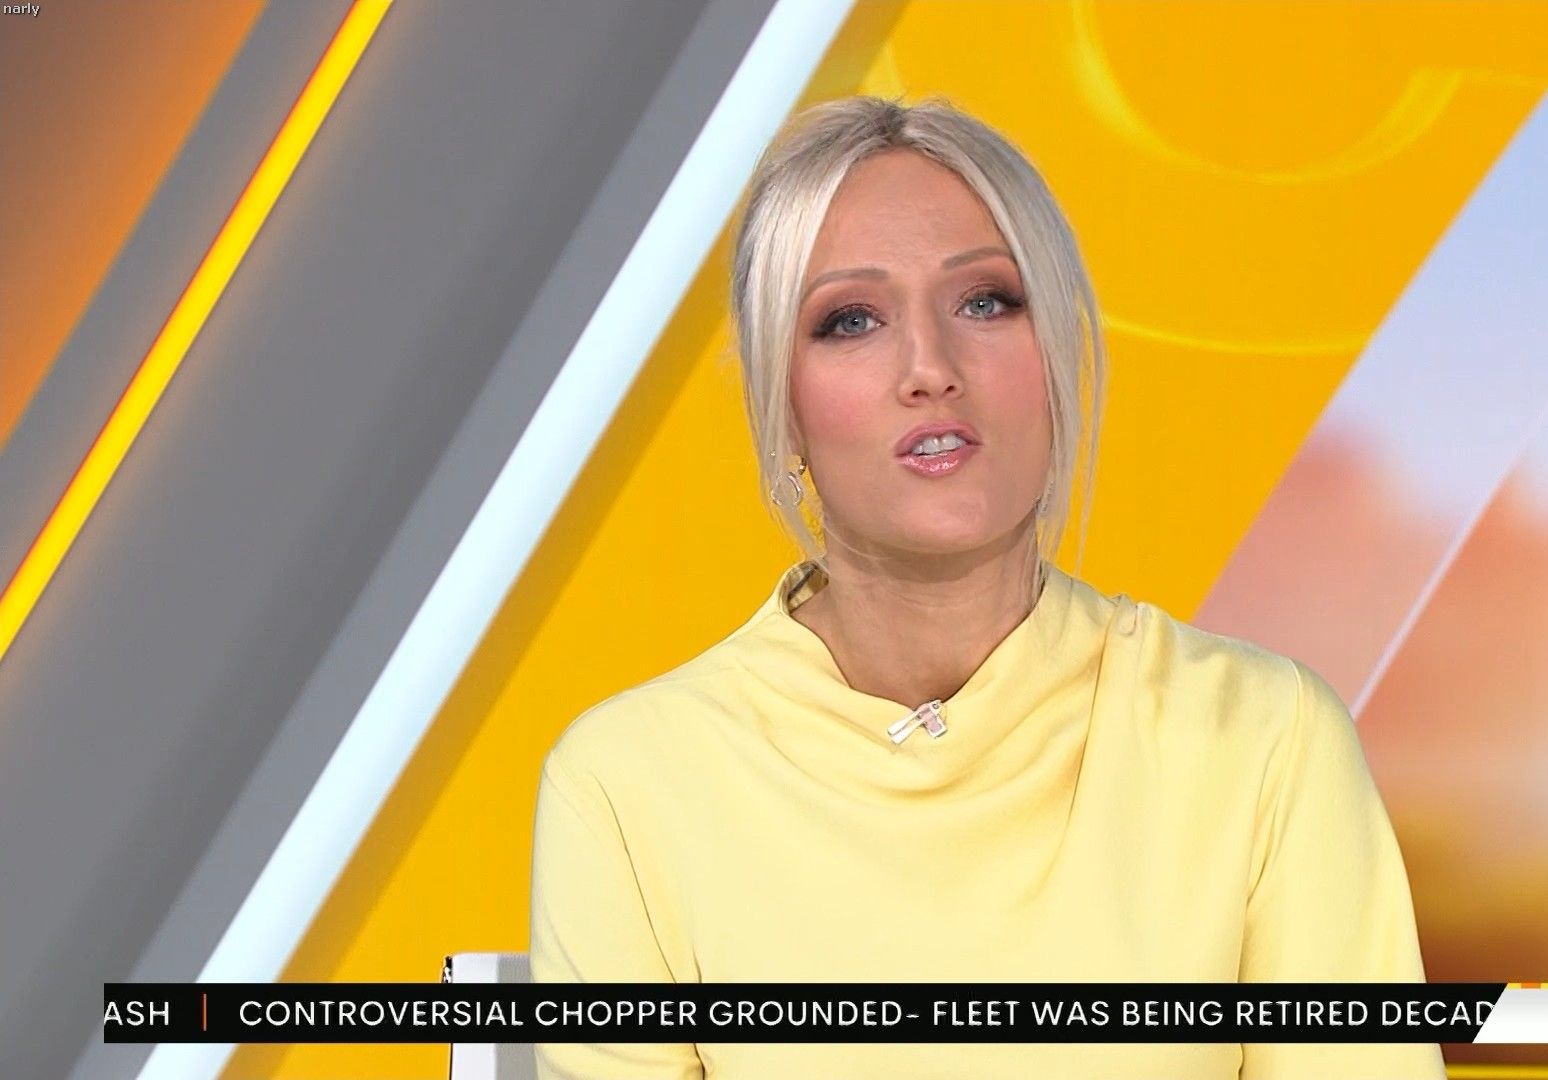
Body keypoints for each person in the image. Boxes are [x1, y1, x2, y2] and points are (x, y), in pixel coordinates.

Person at [529, 94, 1441, 1079]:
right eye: (850, 320)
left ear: (1055, 354)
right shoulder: (627, 784)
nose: (930, 369)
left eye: (985, 302)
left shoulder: (1263, 736)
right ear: (779, 402)